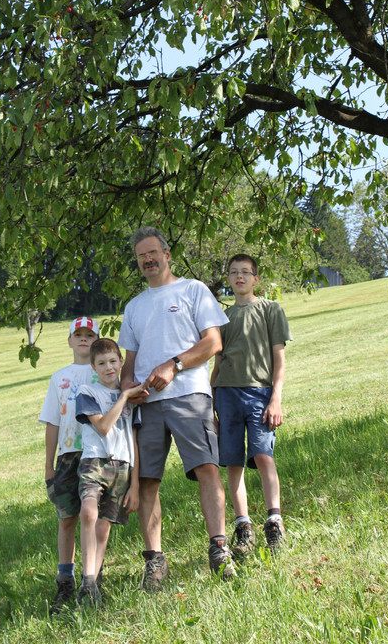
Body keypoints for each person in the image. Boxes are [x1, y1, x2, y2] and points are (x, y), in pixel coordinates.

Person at [118, 226, 236, 589]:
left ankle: (219, 549)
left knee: (207, 470)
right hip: (148, 406)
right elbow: (128, 363)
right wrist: (127, 389)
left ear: (167, 254)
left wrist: (174, 364)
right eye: (141, 256)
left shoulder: (193, 290)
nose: (148, 260)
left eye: (153, 253)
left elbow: (213, 342)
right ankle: (154, 562)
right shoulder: (134, 307)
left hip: (189, 395)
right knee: (148, 481)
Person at [210, 253, 292, 557]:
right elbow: (217, 363)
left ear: (256, 279)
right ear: (229, 279)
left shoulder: (270, 310)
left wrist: (276, 398)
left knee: (262, 455)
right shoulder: (222, 318)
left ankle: (274, 521)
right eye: (234, 272)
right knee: (233, 462)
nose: (240, 277)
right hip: (226, 395)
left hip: (260, 394)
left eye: (246, 272)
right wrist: (210, 402)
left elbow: (278, 358)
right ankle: (243, 525)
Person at [74, 338, 148, 607]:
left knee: (104, 528)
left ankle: (92, 584)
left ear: (120, 362)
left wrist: (136, 485)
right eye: (102, 363)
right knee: (88, 512)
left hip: (122, 468)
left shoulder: (132, 399)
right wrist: (125, 396)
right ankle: (86, 577)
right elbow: (103, 427)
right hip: (95, 462)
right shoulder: (87, 392)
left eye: (113, 361)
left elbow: (135, 441)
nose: (109, 367)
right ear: (93, 366)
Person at [38, 316, 100, 614]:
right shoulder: (59, 377)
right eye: (79, 335)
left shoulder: (103, 372)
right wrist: (49, 465)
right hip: (67, 454)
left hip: (97, 453)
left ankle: (94, 577)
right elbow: (52, 422)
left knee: (96, 517)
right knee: (67, 518)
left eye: (90, 335)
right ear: (70, 341)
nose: (84, 339)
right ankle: (65, 580)